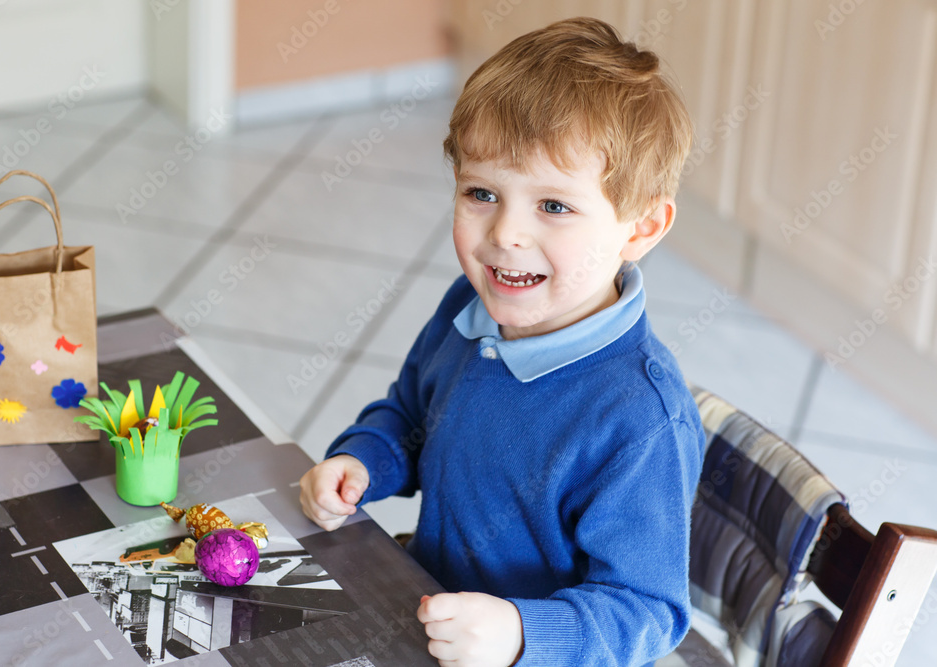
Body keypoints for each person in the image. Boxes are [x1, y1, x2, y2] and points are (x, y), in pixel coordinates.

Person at [300, 16, 703, 667]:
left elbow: (649, 610)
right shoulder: (469, 308)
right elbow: (409, 415)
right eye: (482, 193)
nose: (506, 234)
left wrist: (522, 632)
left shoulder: (641, 419)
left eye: (553, 205)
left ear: (641, 227)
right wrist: (364, 460)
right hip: (424, 608)